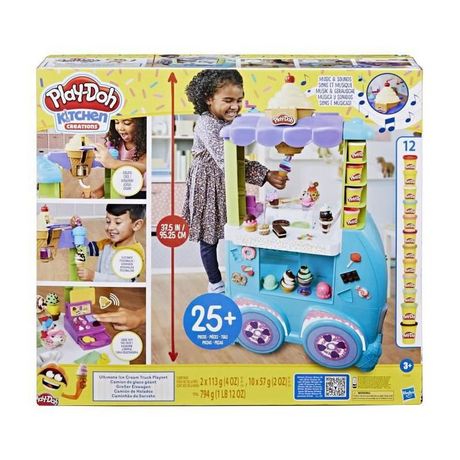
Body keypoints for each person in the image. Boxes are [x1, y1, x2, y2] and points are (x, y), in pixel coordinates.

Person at [182, 69, 287, 294]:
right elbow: (229, 161)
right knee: (209, 238)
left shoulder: (233, 121)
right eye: (228, 100)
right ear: (209, 99)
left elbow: (236, 160)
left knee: (238, 229)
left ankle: (241, 277)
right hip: (207, 185)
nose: (235, 106)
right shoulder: (206, 123)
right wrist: (265, 174)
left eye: (239, 100)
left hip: (228, 182)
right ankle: (215, 283)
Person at [73, 204, 145, 282]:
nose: (110, 227)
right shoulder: (106, 244)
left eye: (118, 222)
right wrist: (77, 230)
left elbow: (124, 281)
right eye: (108, 221)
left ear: (136, 225)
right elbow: (83, 249)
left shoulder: (134, 253)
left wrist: (93, 276)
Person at [92, 117, 147, 199]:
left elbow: (144, 166)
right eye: (117, 122)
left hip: (143, 193)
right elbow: (115, 174)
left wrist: (114, 163)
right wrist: (100, 191)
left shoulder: (147, 144)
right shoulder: (116, 143)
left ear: (141, 124)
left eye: (127, 122)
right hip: (123, 192)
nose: (120, 128)